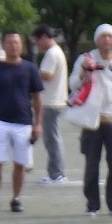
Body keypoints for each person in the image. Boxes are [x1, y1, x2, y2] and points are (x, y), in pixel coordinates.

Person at [70, 23, 112, 217]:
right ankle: (92, 205)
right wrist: (84, 71)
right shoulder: (86, 59)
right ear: (96, 39)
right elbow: (73, 83)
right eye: (103, 36)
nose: (106, 40)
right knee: (91, 164)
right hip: (91, 119)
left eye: (110, 36)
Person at [0, 30, 44, 214]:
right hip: (0, 121)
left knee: (20, 164)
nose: (13, 45)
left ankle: (16, 198)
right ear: (3, 45)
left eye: (16, 42)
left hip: (23, 122)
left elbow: (38, 97)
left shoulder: (30, 68)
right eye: (9, 42)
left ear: (22, 45)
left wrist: (38, 123)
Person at [32, 24, 69, 184]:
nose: (37, 45)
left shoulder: (52, 54)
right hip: (55, 100)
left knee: (52, 138)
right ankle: (54, 172)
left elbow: (47, 75)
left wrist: (31, 74)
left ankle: (57, 173)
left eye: (37, 41)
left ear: (44, 37)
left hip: (51, 101)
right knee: (51, 138)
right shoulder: (56, 52)